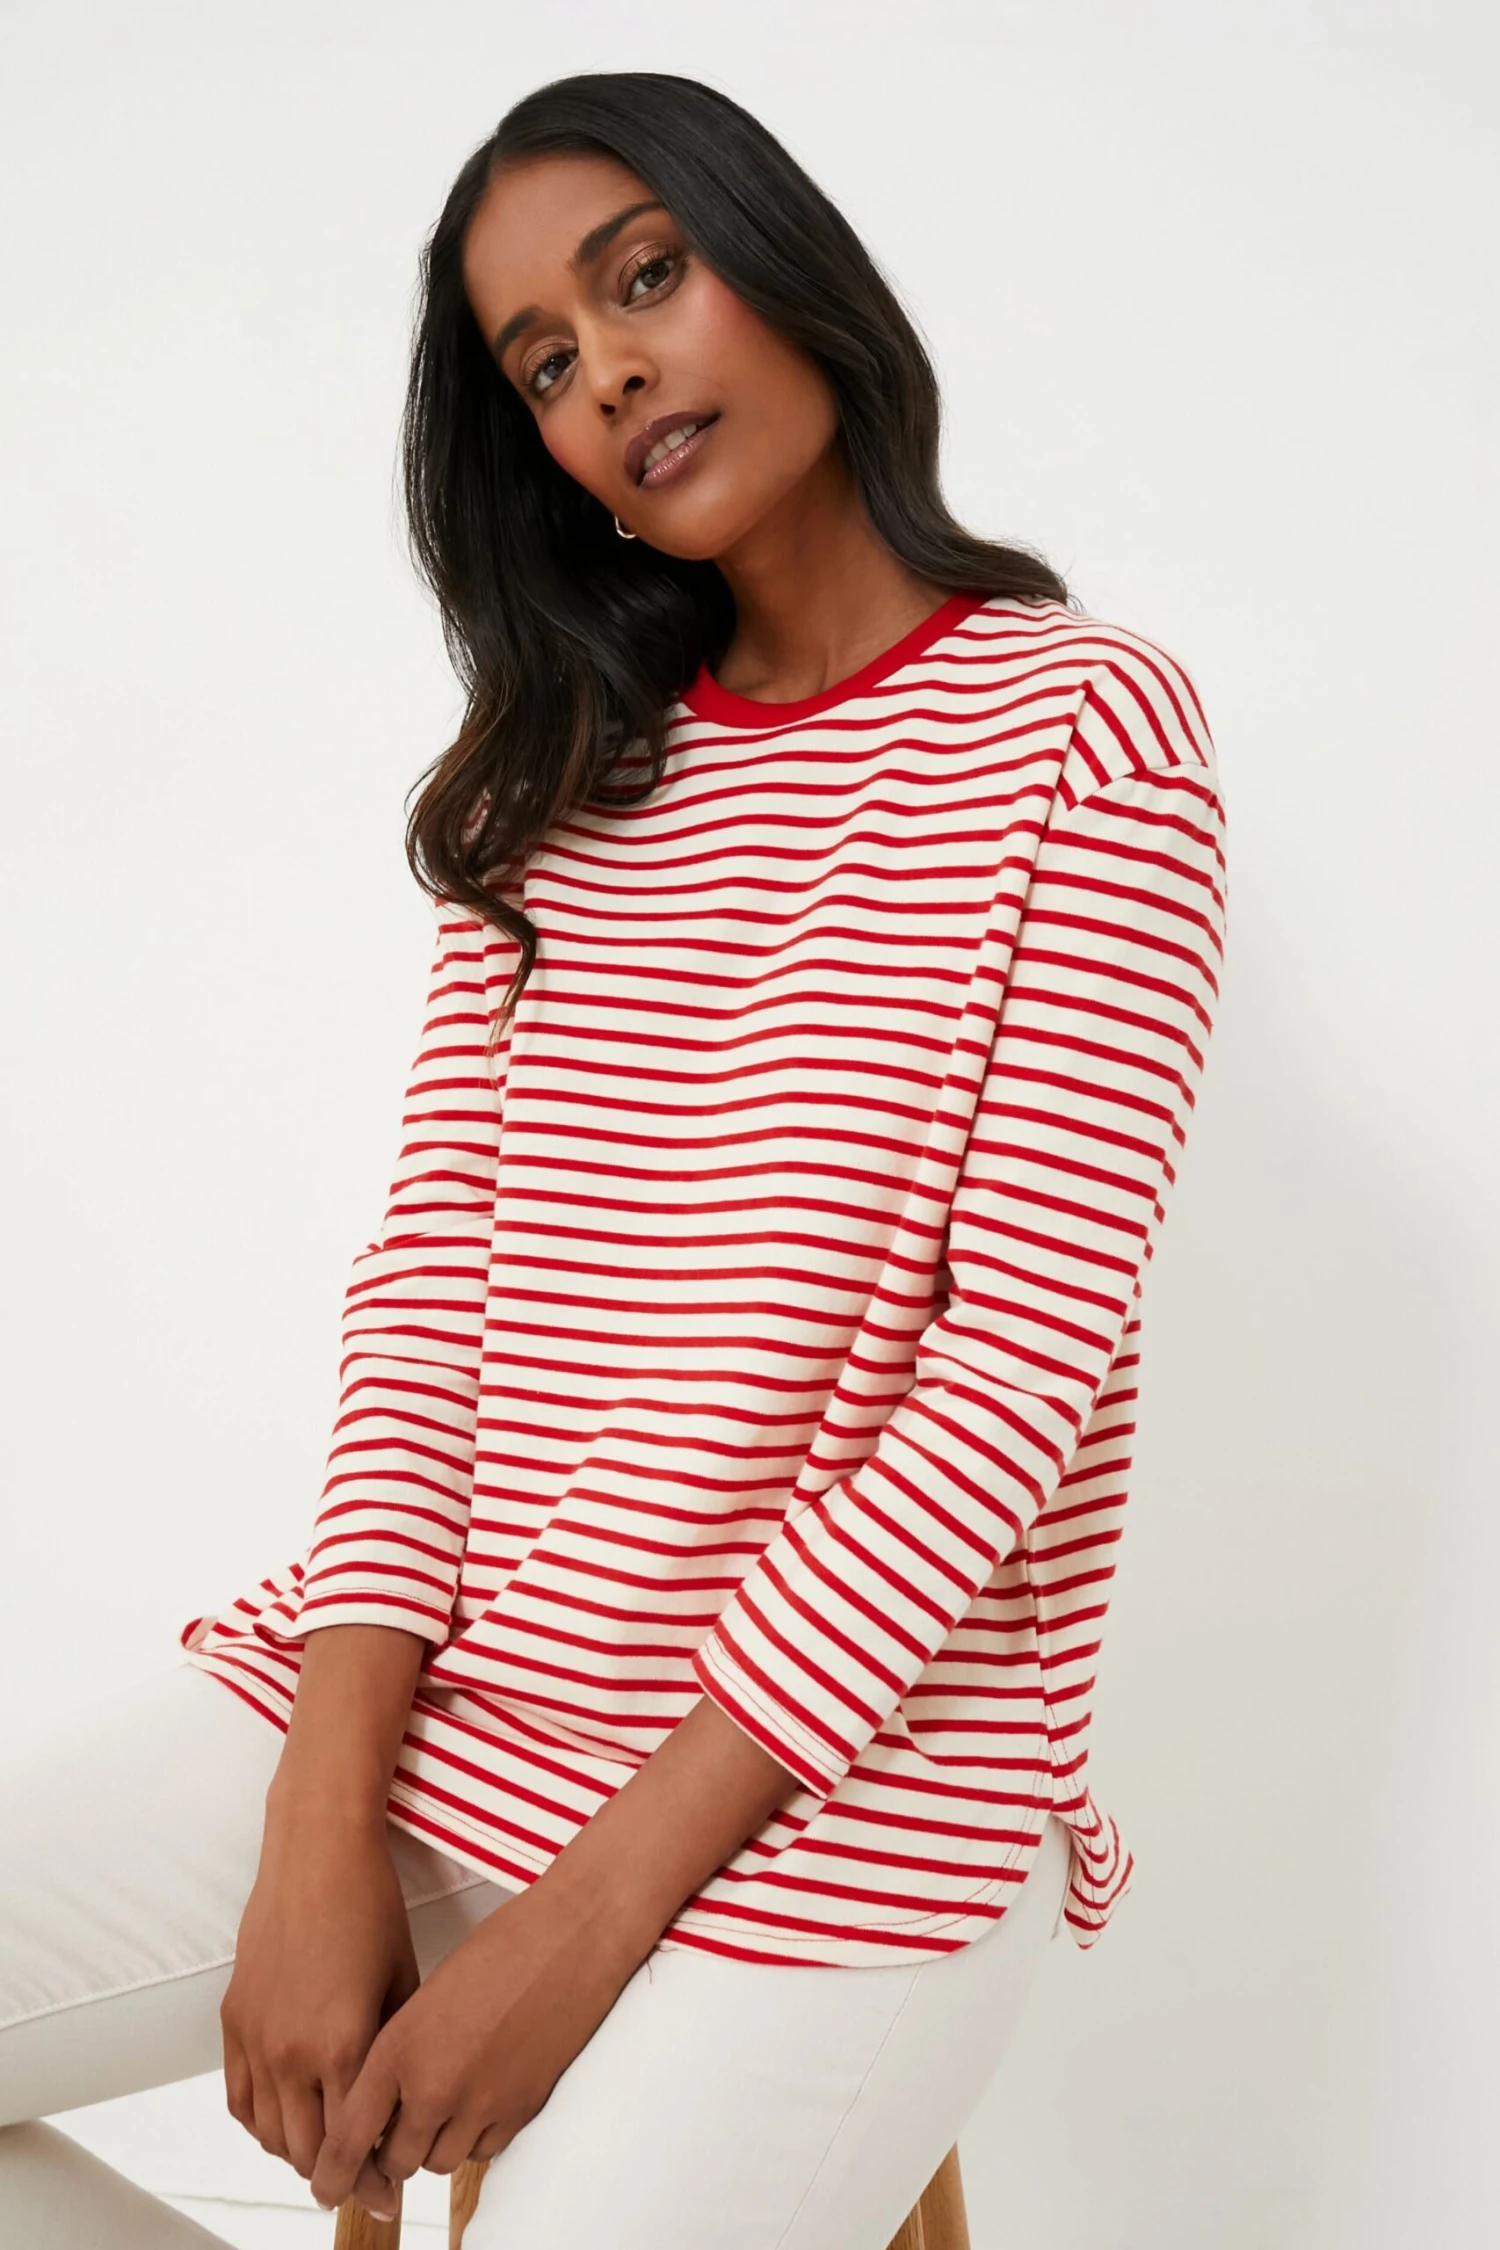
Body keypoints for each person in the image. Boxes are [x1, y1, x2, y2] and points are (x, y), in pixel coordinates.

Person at [0, 69, 1228, 2250]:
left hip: (850, 1803)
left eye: (646, 276)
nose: (612, 372)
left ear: (787, 261)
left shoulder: (1087, 729)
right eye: (545, 364)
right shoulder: (548, 792)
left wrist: (572, 1935)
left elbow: (1011, 1384)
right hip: (452, 1694)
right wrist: (316, 1826)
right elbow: (428, 1313)